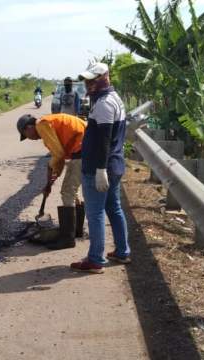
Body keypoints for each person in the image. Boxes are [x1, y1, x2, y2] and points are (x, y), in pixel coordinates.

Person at [70, 62, 130, 274]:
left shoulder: (104, 103)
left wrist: (100, 170)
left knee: (95, 213)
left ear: (105, 77)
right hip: (114, 164)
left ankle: (95, 259)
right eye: (87, 80)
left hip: (100, 168)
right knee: (114, 208)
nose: (88, 83)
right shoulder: (114, 99)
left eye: (92, 80)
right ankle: (122, 251)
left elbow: (104, 140)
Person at [16, 113, 86, 249]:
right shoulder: (46, 124)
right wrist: (50, 182)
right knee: (72, 191)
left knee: (67, 191)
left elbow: (58, 155)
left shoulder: (41, 124)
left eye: (26, 135)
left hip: (82, 149)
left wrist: (50, 166)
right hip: (84, 148)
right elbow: (58, 159)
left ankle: (67, 239)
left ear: (28, 127)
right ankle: (76, 231)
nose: (30, 139)